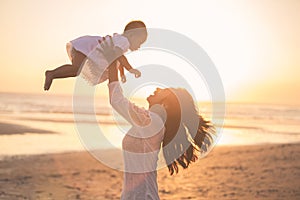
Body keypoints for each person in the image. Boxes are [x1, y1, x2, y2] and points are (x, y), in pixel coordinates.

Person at [100, 38, 216, 199]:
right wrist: (115, 61)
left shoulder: (152, 122)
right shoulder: (151, 123)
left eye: (164, 91)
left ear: (167, 105)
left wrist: (112, 60)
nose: (157, 89)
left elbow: (117, 101)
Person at [43, 20, 147, 90]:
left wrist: (122, 73)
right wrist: (130, 69)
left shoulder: (120, 41)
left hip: (86, 47)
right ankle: (52, 73)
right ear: (132, 35)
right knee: (76, 69)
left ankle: (53, 74)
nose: (139, 46)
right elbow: (119, 57)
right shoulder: (124, 41)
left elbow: (118, 58)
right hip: (87, 48)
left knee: (76, 71)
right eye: (139, 42)